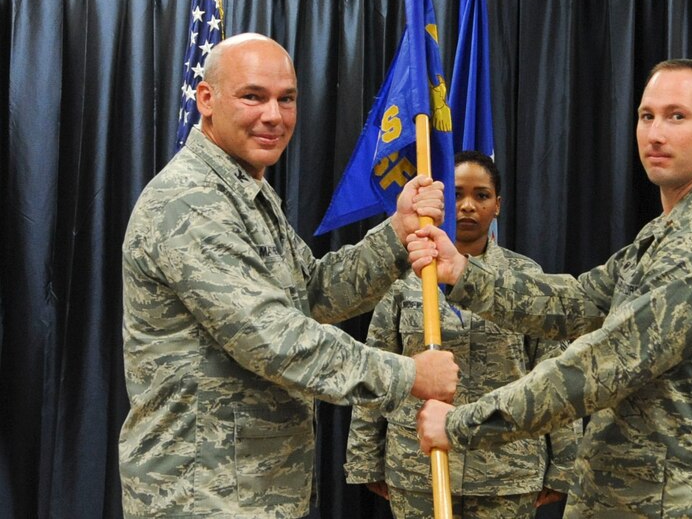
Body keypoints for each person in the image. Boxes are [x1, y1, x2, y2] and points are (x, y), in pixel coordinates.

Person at [410, 59, 692, 517]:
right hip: (645, 495)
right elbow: (576, 302)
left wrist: (462, 424)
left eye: (677, 116)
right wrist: (463, 272)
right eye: (646, 115)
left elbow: (599, 365)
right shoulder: (667, 231)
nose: (655, 133)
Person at [120, 33, 459, 519]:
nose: (274, 116)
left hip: (255, 488)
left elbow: (312, 293)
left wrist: (397, 234)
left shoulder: (243, 190)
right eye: (252, 96)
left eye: (287, 99)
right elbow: (273, 338)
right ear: (207, 100)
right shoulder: (190, 202)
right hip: (200, 496)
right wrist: (409, 375)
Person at [344, 151, 581, 518]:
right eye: (456, 194)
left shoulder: (526, 278)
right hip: (417, 466)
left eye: (481, 195)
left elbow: (555, 373)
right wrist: (365, 458)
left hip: (506, 470)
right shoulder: (404, 277)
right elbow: (376, 366)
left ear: (498, 205)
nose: (468, 206)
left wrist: (565, 464)